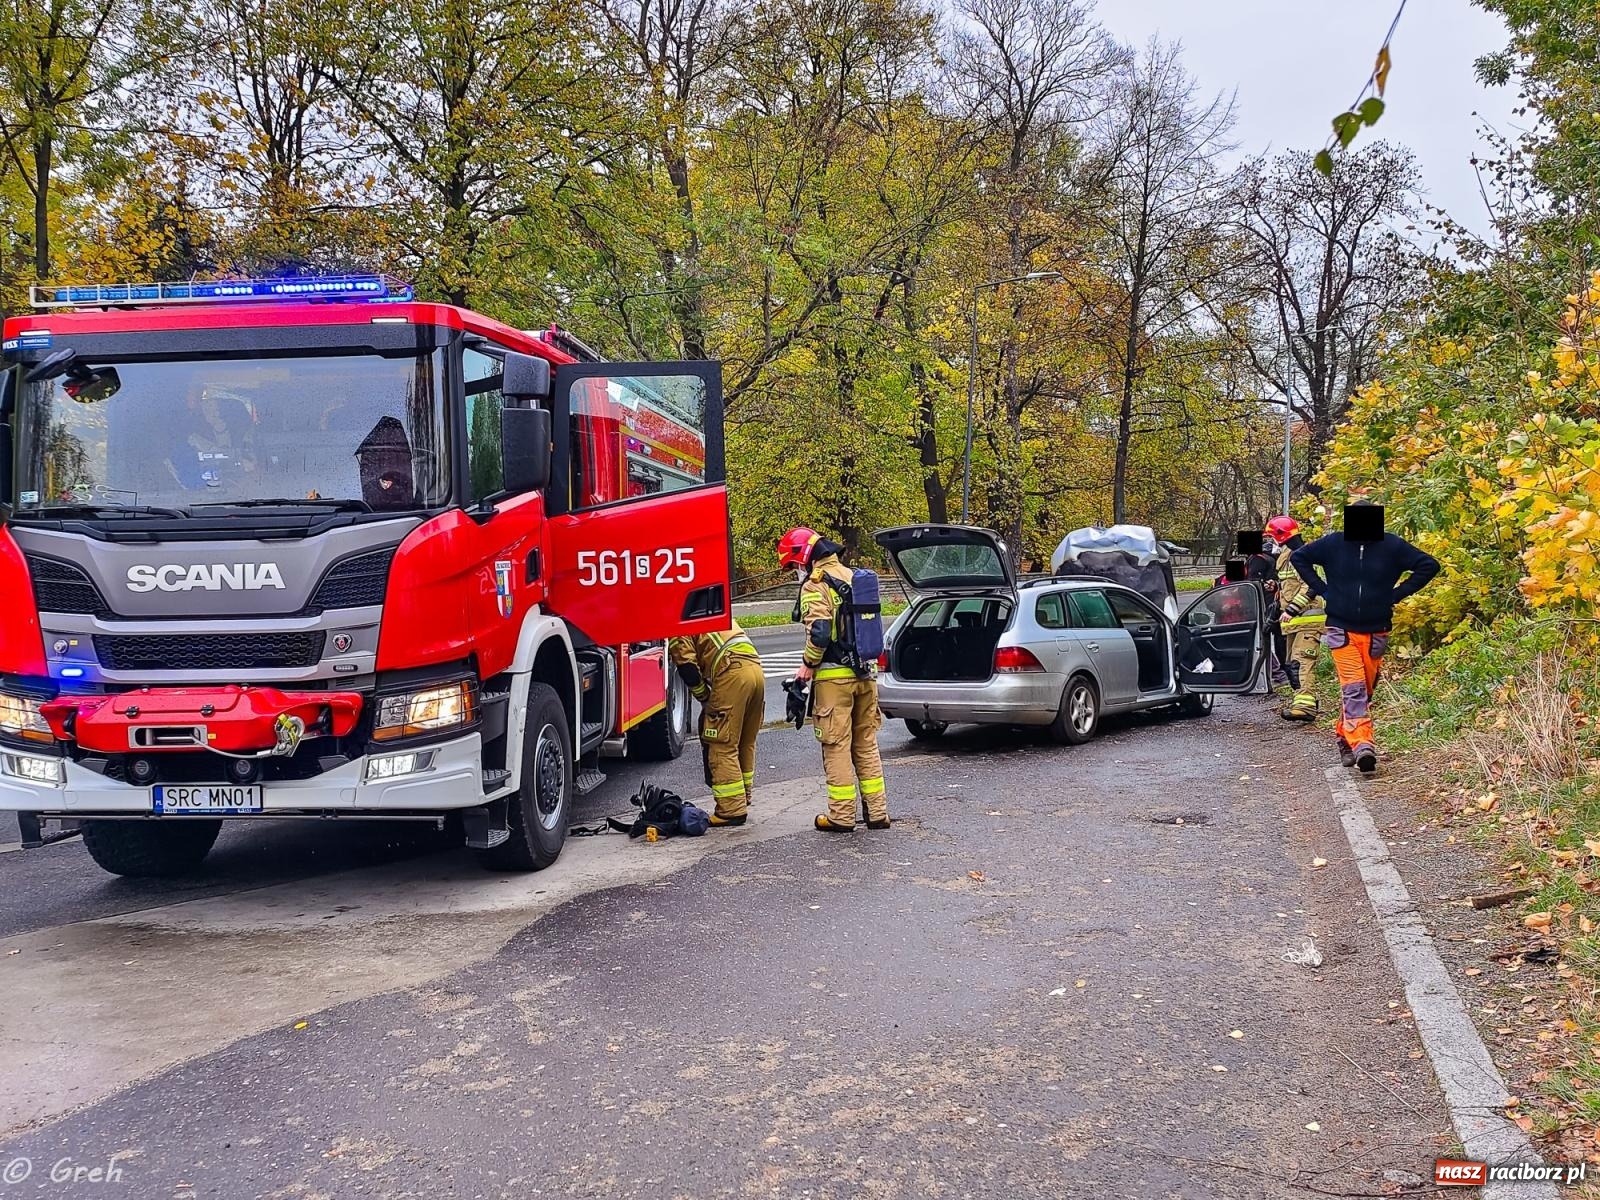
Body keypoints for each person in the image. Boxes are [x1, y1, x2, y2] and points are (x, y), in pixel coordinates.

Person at [1289, 503, 1440, 774]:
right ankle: (1363, 745)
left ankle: (1344, 737)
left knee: (1365, 691)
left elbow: (1429, 565)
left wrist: (1396, 595)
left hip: (1377, 630)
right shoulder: (1333, 543)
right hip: (1340, 629)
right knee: (1354, 688)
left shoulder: (1392, 546)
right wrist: (1323, 590)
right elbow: (1299, 557)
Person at [777, 526, 888, 832]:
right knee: (866, 744)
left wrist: (806, 666)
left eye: (793, 567)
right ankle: (877, 813)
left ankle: (841, 816)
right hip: (866, 676)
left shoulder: (816, 585)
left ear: (804, 559)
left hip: (834, 680)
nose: (794, 573)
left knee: (836, 745)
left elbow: (820, 632)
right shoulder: (854, 577)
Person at [667, 621, 765, 827]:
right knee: (745, 739)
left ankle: (731, 809)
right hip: (755, 668)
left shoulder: (677, 623)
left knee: (720, 743)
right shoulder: (707, 610)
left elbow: (686, 667)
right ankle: (743, 796)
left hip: (731, 671)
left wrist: (705, 698)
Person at [1267, 516, 1324, 722]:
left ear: (1281, 536)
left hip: (1308, 618)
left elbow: (1311, 586)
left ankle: (1305, 707)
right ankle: (1302, 702)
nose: (1271, 541)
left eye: (1272, 537)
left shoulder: (1303, 555)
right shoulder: (1287, 556)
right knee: (1292, 664)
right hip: (1294, 622)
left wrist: (1291, 608)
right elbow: (1290, 585)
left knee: (1302, 661)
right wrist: (1276, 588)